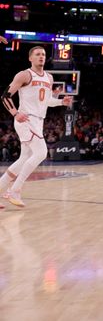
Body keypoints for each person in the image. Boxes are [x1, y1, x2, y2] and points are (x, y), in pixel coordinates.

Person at [0, 45, 73, 208]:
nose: (41, 57)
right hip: (25, 119)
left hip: (38, 121)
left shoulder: (49, 77)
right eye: (38, 54)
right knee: (41, 152)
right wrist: (15, 113)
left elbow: (46, 101)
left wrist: (61, 101)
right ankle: (15, 190)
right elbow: (5, 96)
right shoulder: (24, 74)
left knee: (24, 159)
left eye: (43, 54)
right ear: (30, 58)